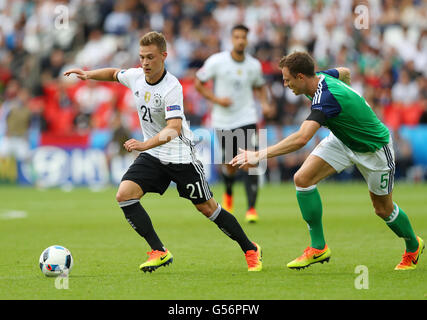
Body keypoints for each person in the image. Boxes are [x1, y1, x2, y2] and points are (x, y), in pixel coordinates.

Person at [64, 31, 262, 273]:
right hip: (154, 155)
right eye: (142, 57)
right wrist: (88, 74)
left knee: (207, 208)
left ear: (164, 56)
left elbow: (174, 129)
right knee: (125, 194)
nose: (145, 63)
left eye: (150, 57)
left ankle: (250, 248)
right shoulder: (136, 76)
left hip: (180, 156)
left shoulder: (171, 87)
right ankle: (159, 251)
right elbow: (114, 74)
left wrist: (143, 145)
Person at [231, 51, 424, 271]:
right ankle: (318, 247)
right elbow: (345, 72)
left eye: (287, 79)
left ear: (301, 77)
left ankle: (413, 245)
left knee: (383, 209)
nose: (284, 84)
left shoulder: (325, 97)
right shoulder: (319, 77)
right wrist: (352, 102)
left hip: (374, 150)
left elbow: (302, 138)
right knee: (302, 179)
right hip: (342, 140)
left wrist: (258, 154)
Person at [195, 24, 275, 223]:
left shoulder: (253, 65)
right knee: (231, 164)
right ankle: (229, 191)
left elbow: (260, 87)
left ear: (247, 40)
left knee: (251, 160)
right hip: (223, 119)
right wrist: (216, 99)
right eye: (237, 36)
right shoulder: (217, 61)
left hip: (247, 117)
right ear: (232, 39)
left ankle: (251, 209)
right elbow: (198, 82)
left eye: (243, 37)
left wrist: (264, 103)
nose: (240, 40)